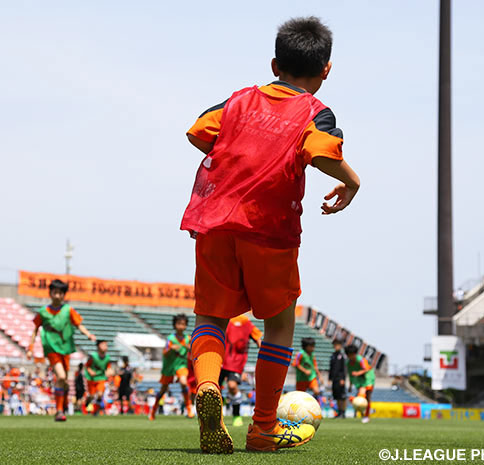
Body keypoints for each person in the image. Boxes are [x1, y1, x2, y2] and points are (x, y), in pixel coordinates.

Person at [181, 16, 360, 453]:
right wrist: (353, 183)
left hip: (213, 220)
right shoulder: (317, 112)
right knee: (279, 325)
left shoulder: (240, 99)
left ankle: (208, 384)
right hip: (269, 229)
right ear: (326, 70)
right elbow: (321, 152)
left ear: (274, 63)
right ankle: (262, 429)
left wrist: (239, 155)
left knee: (210, 317)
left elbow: (199, 131)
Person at [26, 279, 96, 422]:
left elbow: (78, 324)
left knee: (63, 382)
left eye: (60, 293)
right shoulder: (43, 312)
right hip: (51, 349)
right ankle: (59, 411)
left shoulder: (67, 310)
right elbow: (35, 330)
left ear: (64, 295)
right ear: (50, 293)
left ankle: (62, 404)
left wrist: (88, 334)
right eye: (55, 292)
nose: (57, 295)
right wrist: (30, 348)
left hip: (66, 349)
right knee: (62, 377)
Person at [219, 314, 262, 426]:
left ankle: (236, 415)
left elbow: (258, 338)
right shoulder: (225, 319)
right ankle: (215, 416)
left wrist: (263, 353)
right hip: (219, 359)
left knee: (232, 386)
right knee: (214, 389)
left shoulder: (246, 323)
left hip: (236, 363)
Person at [149, 313, 194, 420]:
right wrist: (171, 348)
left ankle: (189, 409)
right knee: (163, 389)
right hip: (169, 367)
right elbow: (165, 353)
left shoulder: (188, 339)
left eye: (183, 324)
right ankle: (153, 411)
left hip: (181, 366)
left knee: (184, 382)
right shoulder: (170, 339)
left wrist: (190, 348)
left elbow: (193, 352)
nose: (181, 326)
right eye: (179, 324)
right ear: (174, 325)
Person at [345, 345, 375, 424]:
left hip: (368, 378)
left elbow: (366, 369)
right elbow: (351, 374)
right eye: (350, 355)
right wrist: (350, 386)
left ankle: (366, 415)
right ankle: (364, 413)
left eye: (353, 354)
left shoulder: (361, 360)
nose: (352, 356)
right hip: (360, 381)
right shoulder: (348, 363)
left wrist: (358, 373)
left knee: (367, 397)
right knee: (362, 396)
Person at [84, 340, 112, 416]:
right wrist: (90, 371)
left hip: (101, 377)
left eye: (106, 345)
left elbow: (108, 367)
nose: (106, 347)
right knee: (92, 396)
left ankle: (95, 411)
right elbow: (87, 365)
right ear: (98, 346)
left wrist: (110, 371)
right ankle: (87, 401)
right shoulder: (93, 356)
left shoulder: (107, 357)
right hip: (91, 379)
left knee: (100, 394)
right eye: (104, 345)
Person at [329, 339, 347, 418]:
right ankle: (339, 412)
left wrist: (343, 379)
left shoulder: (342, 356)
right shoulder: (333, 355)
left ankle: (343, 412)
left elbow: (344, 368)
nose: (336, 346)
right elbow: (331, 368)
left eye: (338, 345)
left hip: (340, 379)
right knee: (336, 396)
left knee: (342, 396)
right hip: (334, 379)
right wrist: (330, 378)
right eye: (335, 345)